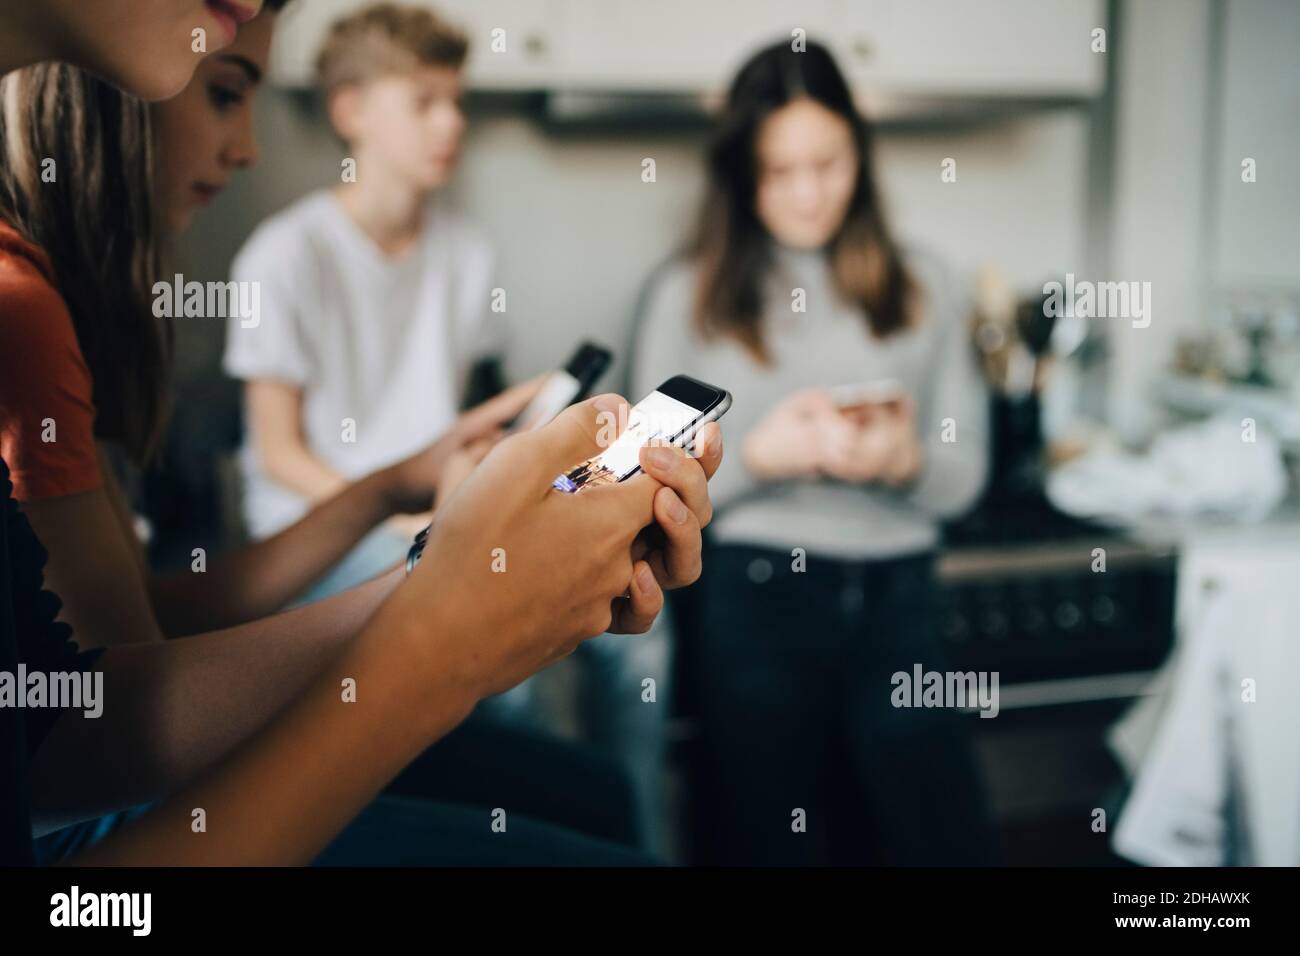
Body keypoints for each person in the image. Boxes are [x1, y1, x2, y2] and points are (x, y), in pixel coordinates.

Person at [0, 0, 723, 865]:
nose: (249, 148)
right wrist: (446, 618)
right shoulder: (31, 307)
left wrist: (449, 559)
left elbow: (65, 728)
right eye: (225, 92)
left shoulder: (462, 254)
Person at [631, 40, 995, 865]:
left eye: (828, 163)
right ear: (741, 174)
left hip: (898, 599)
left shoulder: (928, 285)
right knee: (759, 844)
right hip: (752, 598)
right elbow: (644, 495)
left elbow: (964, 477)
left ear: (860, 153)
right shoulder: (681, 298)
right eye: (778, 170)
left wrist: (904, 461)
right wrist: (759, 455)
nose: (807, 192)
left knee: (938, 845)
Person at [225, 3, 505, 602]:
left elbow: (465, 411)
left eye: (457, 102)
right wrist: (394, 515)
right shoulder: (283, 254)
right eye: (424, 102)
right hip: (308, 527)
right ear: (351, 111)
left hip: (430, 514)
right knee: (491, 619)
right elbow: (279, 455)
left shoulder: (468, 253)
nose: (452, 123)